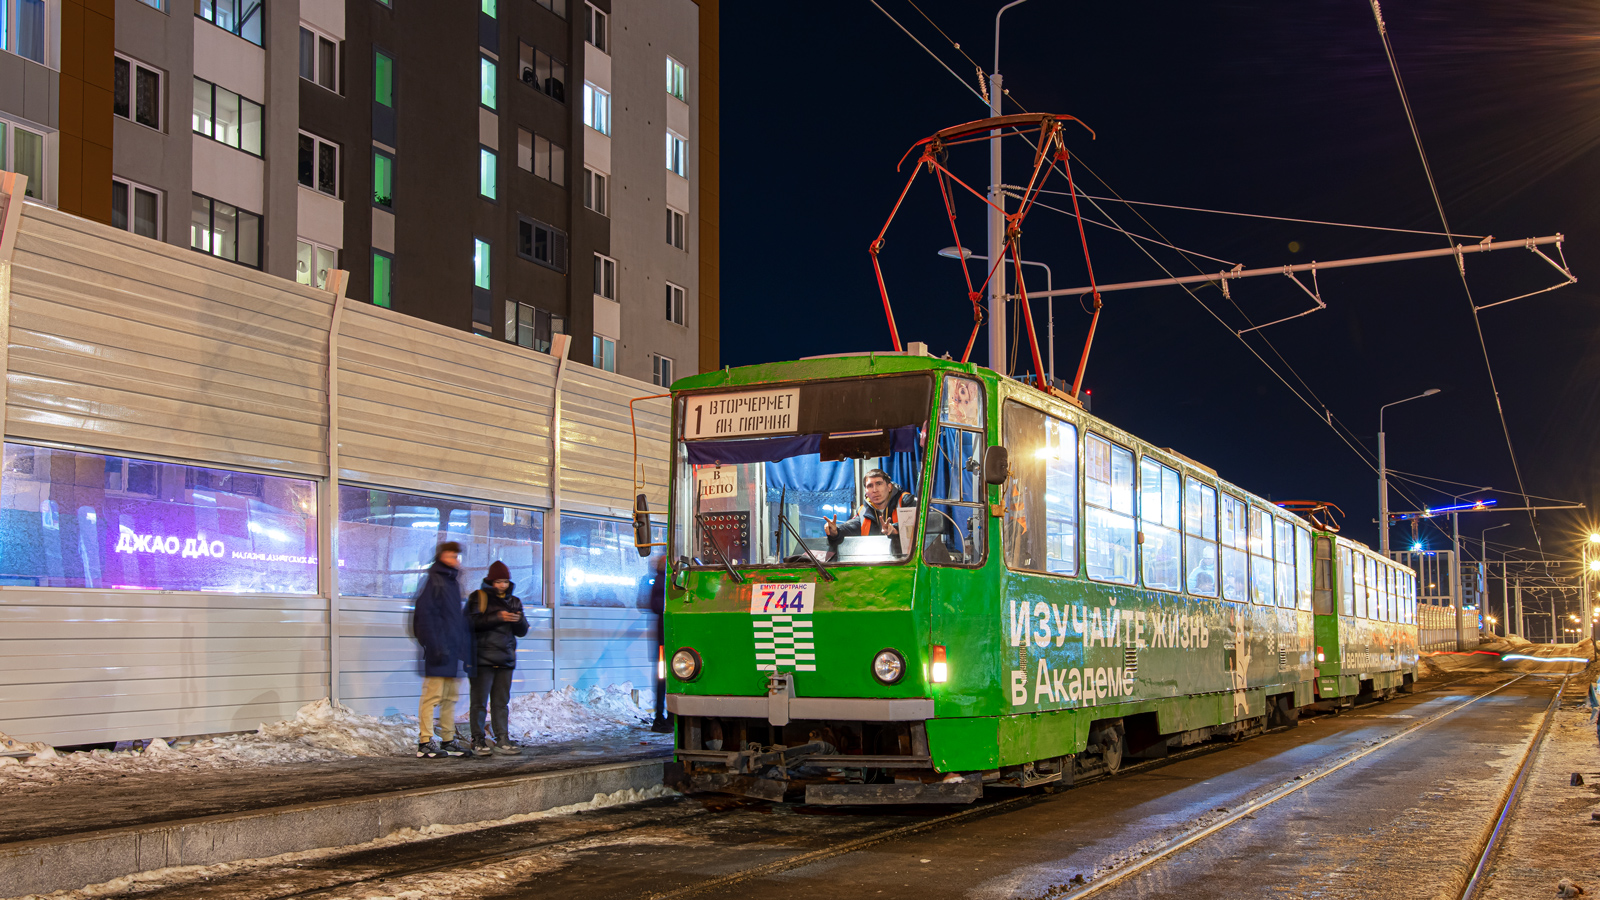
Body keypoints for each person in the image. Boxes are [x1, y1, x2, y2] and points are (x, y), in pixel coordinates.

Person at [412, 541, 473, 758]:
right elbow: (423, 617)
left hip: (452, 650)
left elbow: (456, 620)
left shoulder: (452, 583)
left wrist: (462, 649)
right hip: (439, 651)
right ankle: (425, 741)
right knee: (432, 696)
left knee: (450, 698)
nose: (454, 560)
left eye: (456, 556)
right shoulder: (434, 581)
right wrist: (434, 644)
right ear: (441, 557)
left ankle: (448, 739)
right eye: (450, 556)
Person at [466, 560, 529, 756]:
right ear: (491, 581)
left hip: (505, 660)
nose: (502, 585)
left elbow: (523, 631)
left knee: (501, 703)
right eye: (499, 581)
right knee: (479, 702)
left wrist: (518, 620)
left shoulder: (515, 601)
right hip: (482, 658)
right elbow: (469, 622)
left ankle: (502, 737)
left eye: (505, 581)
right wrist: (498, 617)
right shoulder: (479, 597)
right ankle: (477, 739)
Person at [825, 469, 914, 557]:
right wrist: (835, 531)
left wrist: (895, 529)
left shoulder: (906, 501)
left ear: (889, 487)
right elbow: (850, 527)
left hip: (907, 563)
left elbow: (918, 525)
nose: (875, 490)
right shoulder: (863, 511)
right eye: (870, 486)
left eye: (879, 484)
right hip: (874, 563)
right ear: (866, 492)